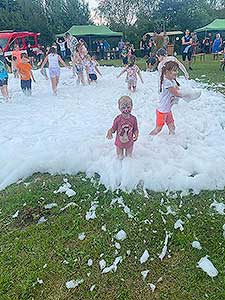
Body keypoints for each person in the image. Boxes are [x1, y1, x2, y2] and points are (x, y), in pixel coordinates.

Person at [150, 61, 181, 136]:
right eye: (174, 70)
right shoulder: (167, 82)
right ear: (167, 72)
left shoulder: (172, 81)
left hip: (167, 109)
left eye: (177, 70)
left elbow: (178, 89)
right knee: (158, 128)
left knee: (172, 127)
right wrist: (189, 94)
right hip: (162, 110)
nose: (176, 72)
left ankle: (171, 142)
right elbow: (176, 93)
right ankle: (149, 138)